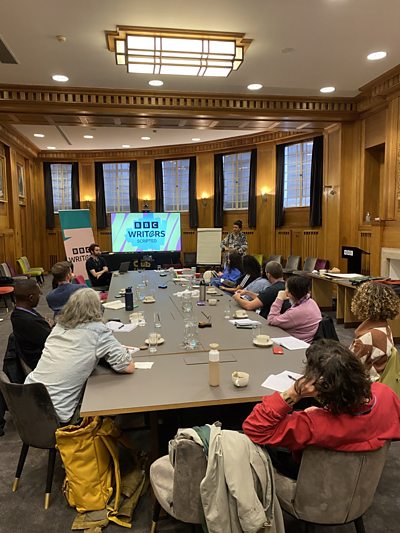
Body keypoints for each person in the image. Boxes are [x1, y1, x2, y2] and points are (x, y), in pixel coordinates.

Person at [243, 340, 400, 479]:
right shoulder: (386, 394)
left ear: (320, 387)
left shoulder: (313, 425)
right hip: (361, 479)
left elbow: (254, 428)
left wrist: (294, 392)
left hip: (315, 481)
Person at [24, 288, 135, 424]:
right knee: (103, 391)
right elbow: (127, 367)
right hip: (58, 417)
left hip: (27, 403)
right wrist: (121, 351)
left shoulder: (58, 328)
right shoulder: (98, 331)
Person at [350, 281, 400, 380]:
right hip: (378, 378)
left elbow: (350, 367)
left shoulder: (368, 337)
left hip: (365, 385)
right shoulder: (385, 328)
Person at [10, 279, 52, 369]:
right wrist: (48, 325)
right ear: (31, 298)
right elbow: (52, 340)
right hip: (42, 362)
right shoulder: (28, 321)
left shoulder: (19, 312)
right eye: (39, 294)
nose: (40, 296)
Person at [267, 275, 321, 343]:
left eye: (286, 289)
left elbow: (271, 320)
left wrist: (279, 299)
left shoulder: (298, 312)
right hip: (304, 340)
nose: (284, 291)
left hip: (294, 344)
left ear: (291, 293)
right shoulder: (311, 302)